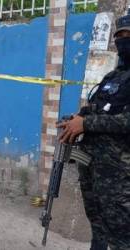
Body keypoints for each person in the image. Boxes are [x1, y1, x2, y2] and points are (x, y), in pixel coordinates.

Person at [57, 12, 130, 250]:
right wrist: (78, 118)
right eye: (120, 35)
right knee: (96, 219)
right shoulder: (114, 75)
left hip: (119, 170)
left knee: (121, 228)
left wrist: (86, 124)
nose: (123, 39)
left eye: (129, 35)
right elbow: (98, 107)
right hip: (91, 160)